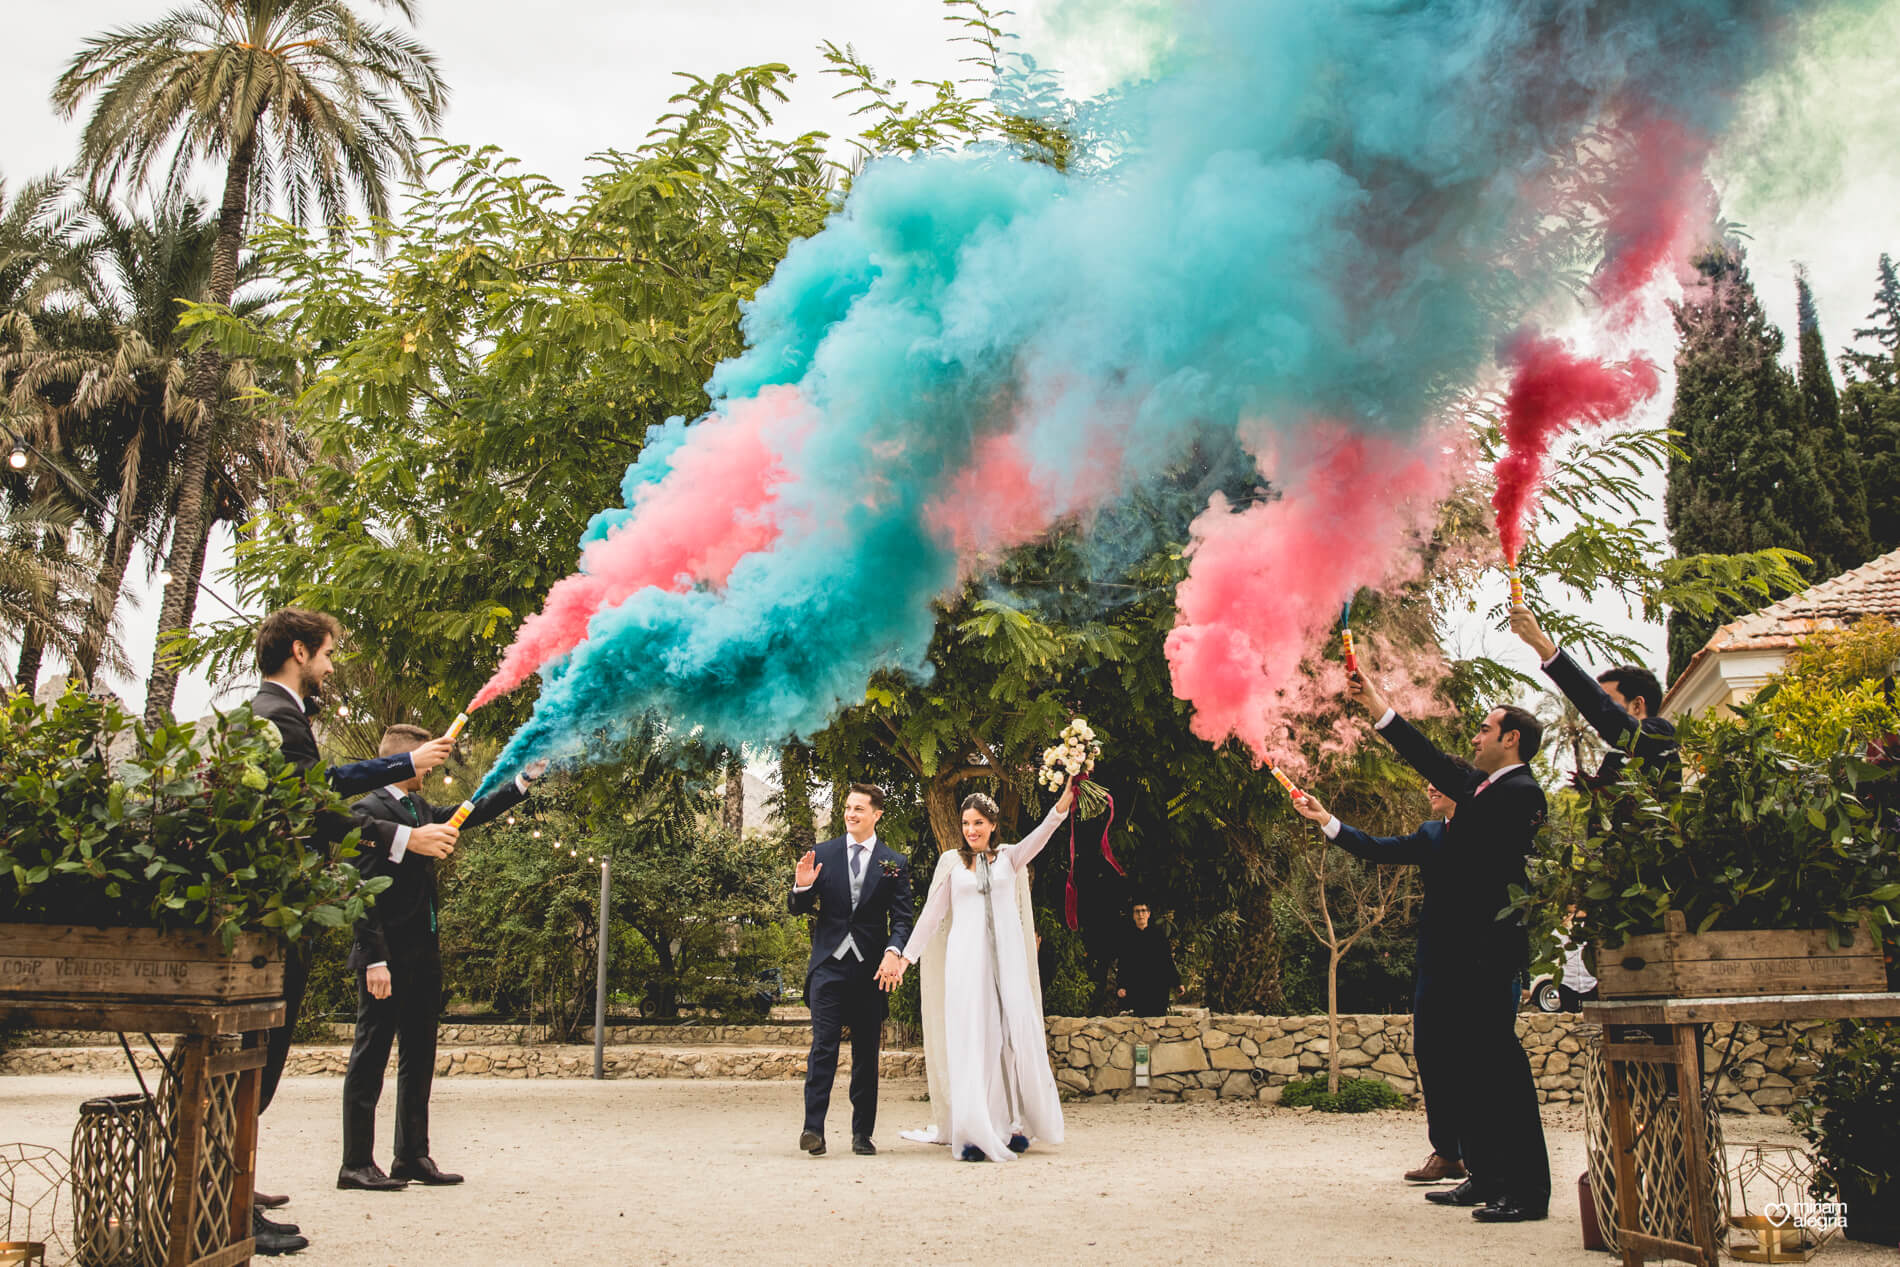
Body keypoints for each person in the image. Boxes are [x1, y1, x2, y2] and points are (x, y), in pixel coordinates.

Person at [245, 608, 458, 1255]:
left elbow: (325, 787)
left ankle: (236, 1187)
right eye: (328, 653)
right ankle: (235, 1200)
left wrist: (408, 777)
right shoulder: (275, 716)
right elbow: (323, 805)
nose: (332, 665)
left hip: (296, 920)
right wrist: (401, 825)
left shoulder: (286, 715)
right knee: (255, 1064)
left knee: (260, 1065)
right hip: (279, 916)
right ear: (300, 649)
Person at [1346, 661, 1552, 1224]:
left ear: (1511, 739)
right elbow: (1437, 766)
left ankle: (1527, 1193)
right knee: (1472, 1073)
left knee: (1501, 1076)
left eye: (1485, 729)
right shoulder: (1491, 791)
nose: (1475, 737)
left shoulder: (1517, 793)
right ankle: (1486, 1178)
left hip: (1488, 959)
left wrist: (1379, 708)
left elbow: (1436, 764)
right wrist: (1376, 705)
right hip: (1466, 959)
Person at [338, 724, 546, 1193]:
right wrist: (373, 960)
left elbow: (467, 813)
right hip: (385, 961)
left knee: (419, 1057)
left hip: (422, 957)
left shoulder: (420, 808)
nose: (434, 766)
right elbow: (356, 891)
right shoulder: (366, 810)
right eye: (428, 758)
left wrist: (521, 783)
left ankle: (411, 1155)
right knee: (370, 1057)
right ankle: (355, 1162)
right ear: (404, 759)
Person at [1289, 763, 1516, 1186]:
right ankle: (1448, 1153)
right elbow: (1377, 848)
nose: (1430, 785)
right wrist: (1325, 819)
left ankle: (1490, 1162)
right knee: (1431, 1054)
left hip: (1485, 964)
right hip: (1436, 964)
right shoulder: (1430, 834)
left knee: (1482, 1062)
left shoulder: (1492, 827)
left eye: (1440, 781)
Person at [891, 781, 1075, 1161]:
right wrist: (905, 958)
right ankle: (974, 1133)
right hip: (966, 968)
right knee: (973, 1042)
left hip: (1007, 967)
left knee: (1010, 1041)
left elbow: (1045, 831)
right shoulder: (954, 866)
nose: (971, 830)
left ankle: (1011, 1125)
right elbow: (930, 917)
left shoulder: (1010, 858)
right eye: (965, 823)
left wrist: (1066, 797)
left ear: (992, 824)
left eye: (978, 822)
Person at [789, 783, 916, 1157]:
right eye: (848, 807)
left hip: (869, 971)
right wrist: (801, 886)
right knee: (822, 1049)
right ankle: (813, 1130)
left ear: (877, 814)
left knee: (866, 1056)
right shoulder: (822, 853)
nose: (851, 814)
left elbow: (903, 919)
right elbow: (797, 908)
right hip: (828, 967)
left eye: (859, 809)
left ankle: (862, 1134)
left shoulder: (894, 863)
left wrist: (894, 951)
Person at [1509, 606, 1677, 794]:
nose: (1596, 714)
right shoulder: (1613, 761)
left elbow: (1604, 712)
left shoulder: (1662, 736)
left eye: (1610, 701)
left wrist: (1543, 645)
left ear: (1637, 705)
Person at [1111, 902, 1181, 1016]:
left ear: (1148, 914)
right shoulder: (1127, 938)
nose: (1140, 914)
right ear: (1133, 916)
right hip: (1137, 989)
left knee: (1158, 1025)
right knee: (1139, 1026)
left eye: (1143, 911)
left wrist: (1177, 983)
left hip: (1158, 988)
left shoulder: (1159, 935)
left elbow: (1167, 962)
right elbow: (1123, 964)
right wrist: (1121, 986)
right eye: (1137, 911)